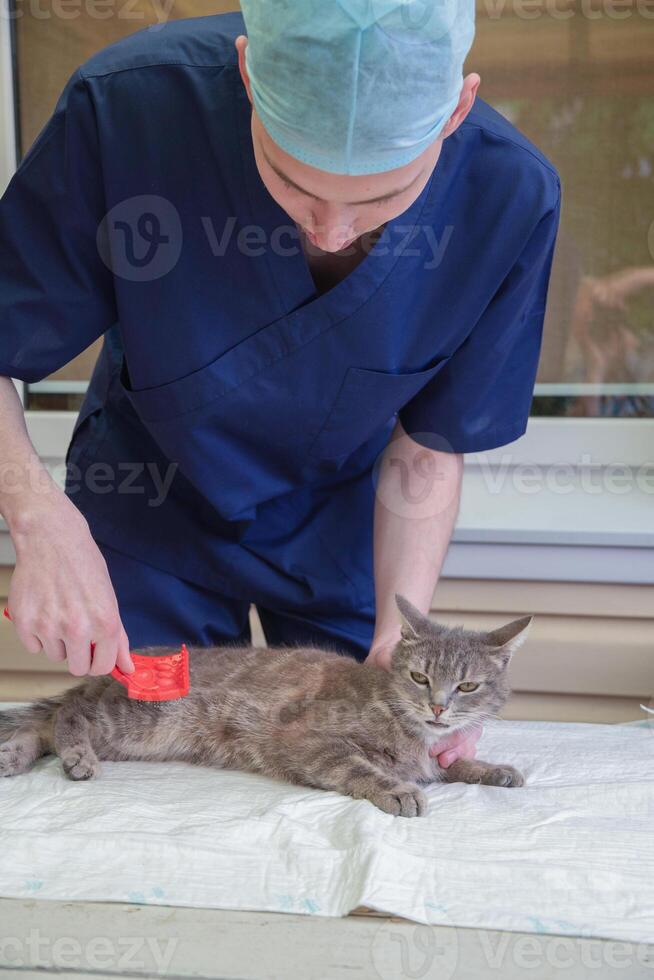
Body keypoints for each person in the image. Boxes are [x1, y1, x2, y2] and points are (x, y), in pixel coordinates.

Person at [0, 1, 561, 769]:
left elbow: (429, 445)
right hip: (150, 510)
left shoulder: (507, 196)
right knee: (149, 737)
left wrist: (404, 639)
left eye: (380, 203)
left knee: (348, 763)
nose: (330, 231)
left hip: (346, 531)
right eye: (294, 185)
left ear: (456, 113)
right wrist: (39, 520)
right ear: (247, 80)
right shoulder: (128, 110)